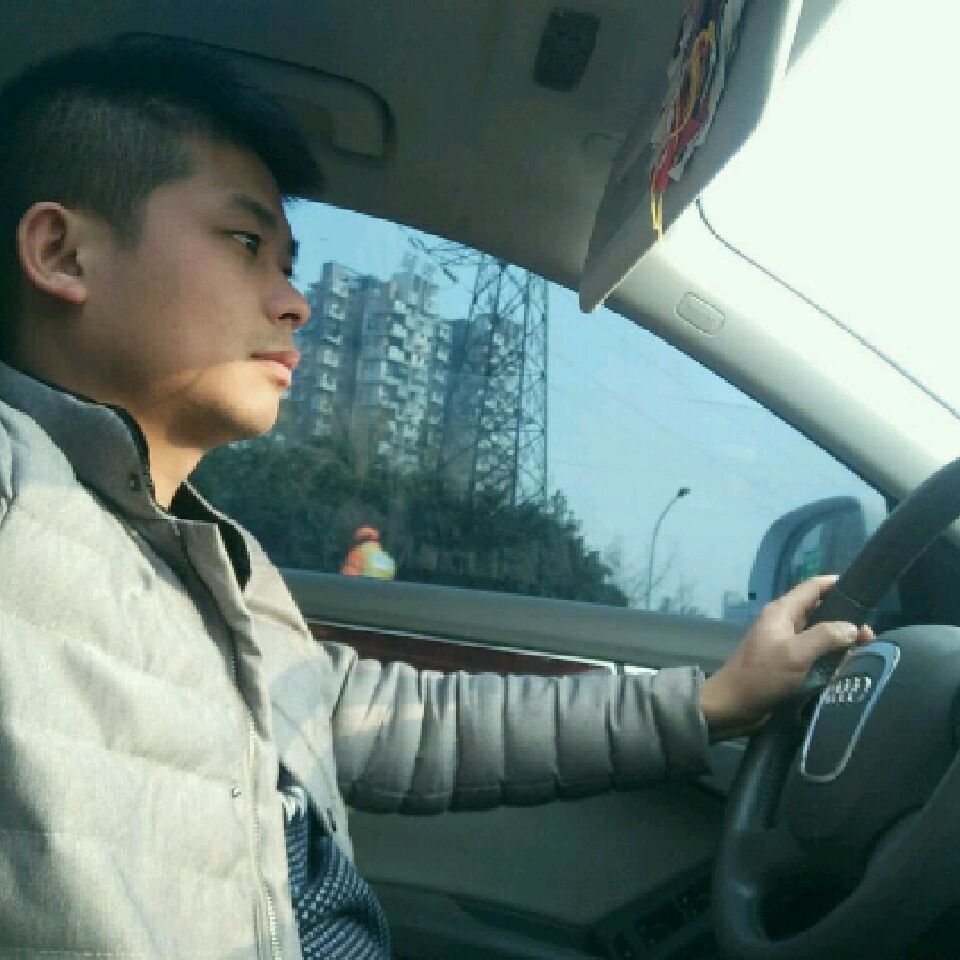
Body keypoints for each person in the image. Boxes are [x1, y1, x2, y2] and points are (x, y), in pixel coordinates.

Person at [0, 36, 873, 960]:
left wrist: (709, 706)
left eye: (290, 263)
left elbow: (413, 726)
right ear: (61, 253)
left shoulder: (223, 571)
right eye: (246, 244)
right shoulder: (20, 493)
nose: (295, 303)